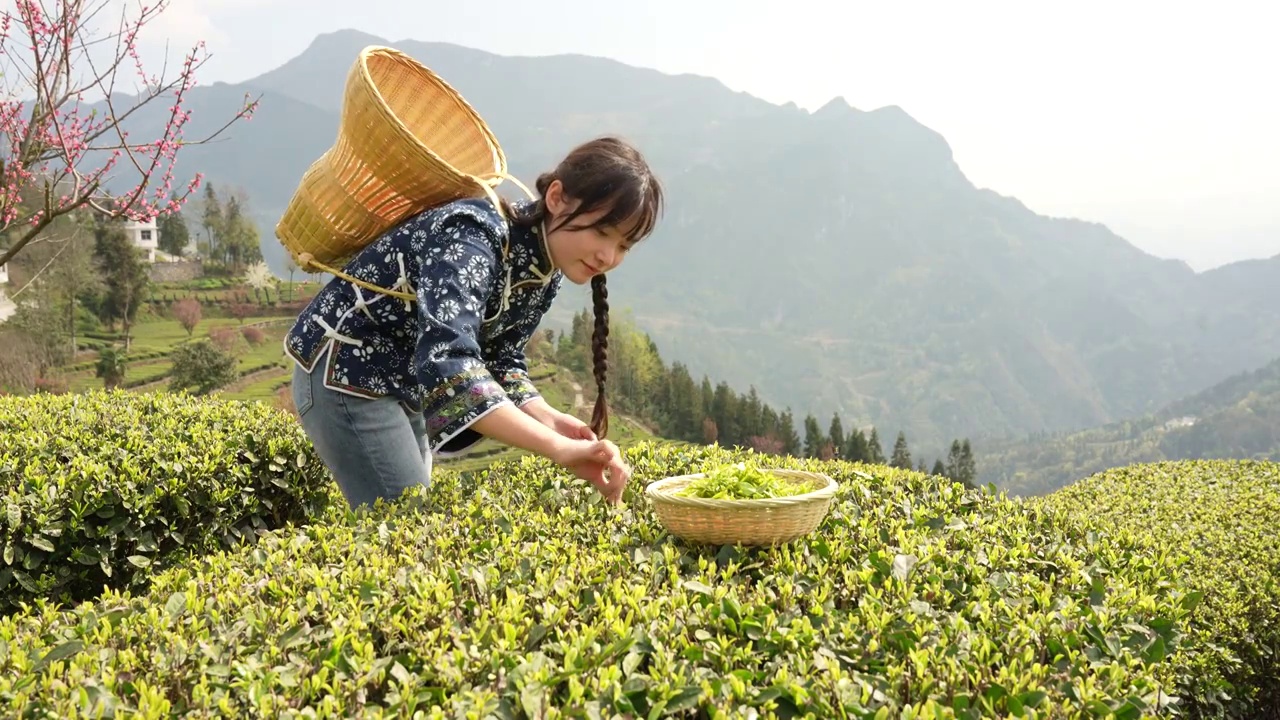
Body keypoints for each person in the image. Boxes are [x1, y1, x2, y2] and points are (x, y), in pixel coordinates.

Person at [284, 136, 664, 509]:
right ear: (556, 198)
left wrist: (550, 419)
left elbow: (502, 359)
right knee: (406, 528)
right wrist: (558, 449)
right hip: (346, 371)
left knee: (410, 528)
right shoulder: (472, 235)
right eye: (602, 232)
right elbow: (450, 363)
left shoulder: (547, 265)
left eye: (624, 246)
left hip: (398, 383)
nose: (608, 256)